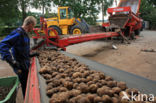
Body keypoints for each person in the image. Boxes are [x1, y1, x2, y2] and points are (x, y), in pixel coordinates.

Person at [0, 16, 39, 98]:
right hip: (19, 66)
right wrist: (11, 61)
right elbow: (3, 45)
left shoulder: (25, 34)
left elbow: (23, 50)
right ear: (30, 24)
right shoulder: (18, 33)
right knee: (25, 86)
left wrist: (30, 55)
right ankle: (27, 99)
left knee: (27, 84)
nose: (33, 28)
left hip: (25, 64)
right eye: (34, 26)